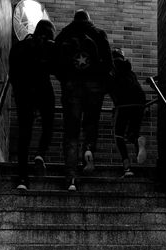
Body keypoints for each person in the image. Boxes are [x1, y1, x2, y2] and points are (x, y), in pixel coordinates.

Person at [55, 9, 114, 191]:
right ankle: (88, 149)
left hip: (72, 87)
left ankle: (71, 178)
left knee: (71, 132)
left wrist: (65, 81)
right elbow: (109, 64)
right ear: (89, 19)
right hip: (94, 88)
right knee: (90, 124)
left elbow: (55, 62)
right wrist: (102, 85)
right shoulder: (98, 34)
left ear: (74, 19)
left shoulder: (66, 33)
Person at [9, 19, 56, 190]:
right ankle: (40, 153)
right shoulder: (49, 47)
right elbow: (57, 69)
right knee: (49, 123)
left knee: (24, 134)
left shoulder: (20, 46)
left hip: (24, 93)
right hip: (43, 90)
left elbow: (12, 72)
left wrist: (19, 92)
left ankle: (22, 179)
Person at [109, 48, 147, 177]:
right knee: (132, 133)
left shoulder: (112, 69)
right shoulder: (130, 71)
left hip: (124, 103)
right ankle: (138, 141)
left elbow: (107, 87)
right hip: (140, 102)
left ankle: (127, 168)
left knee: (119, 135)